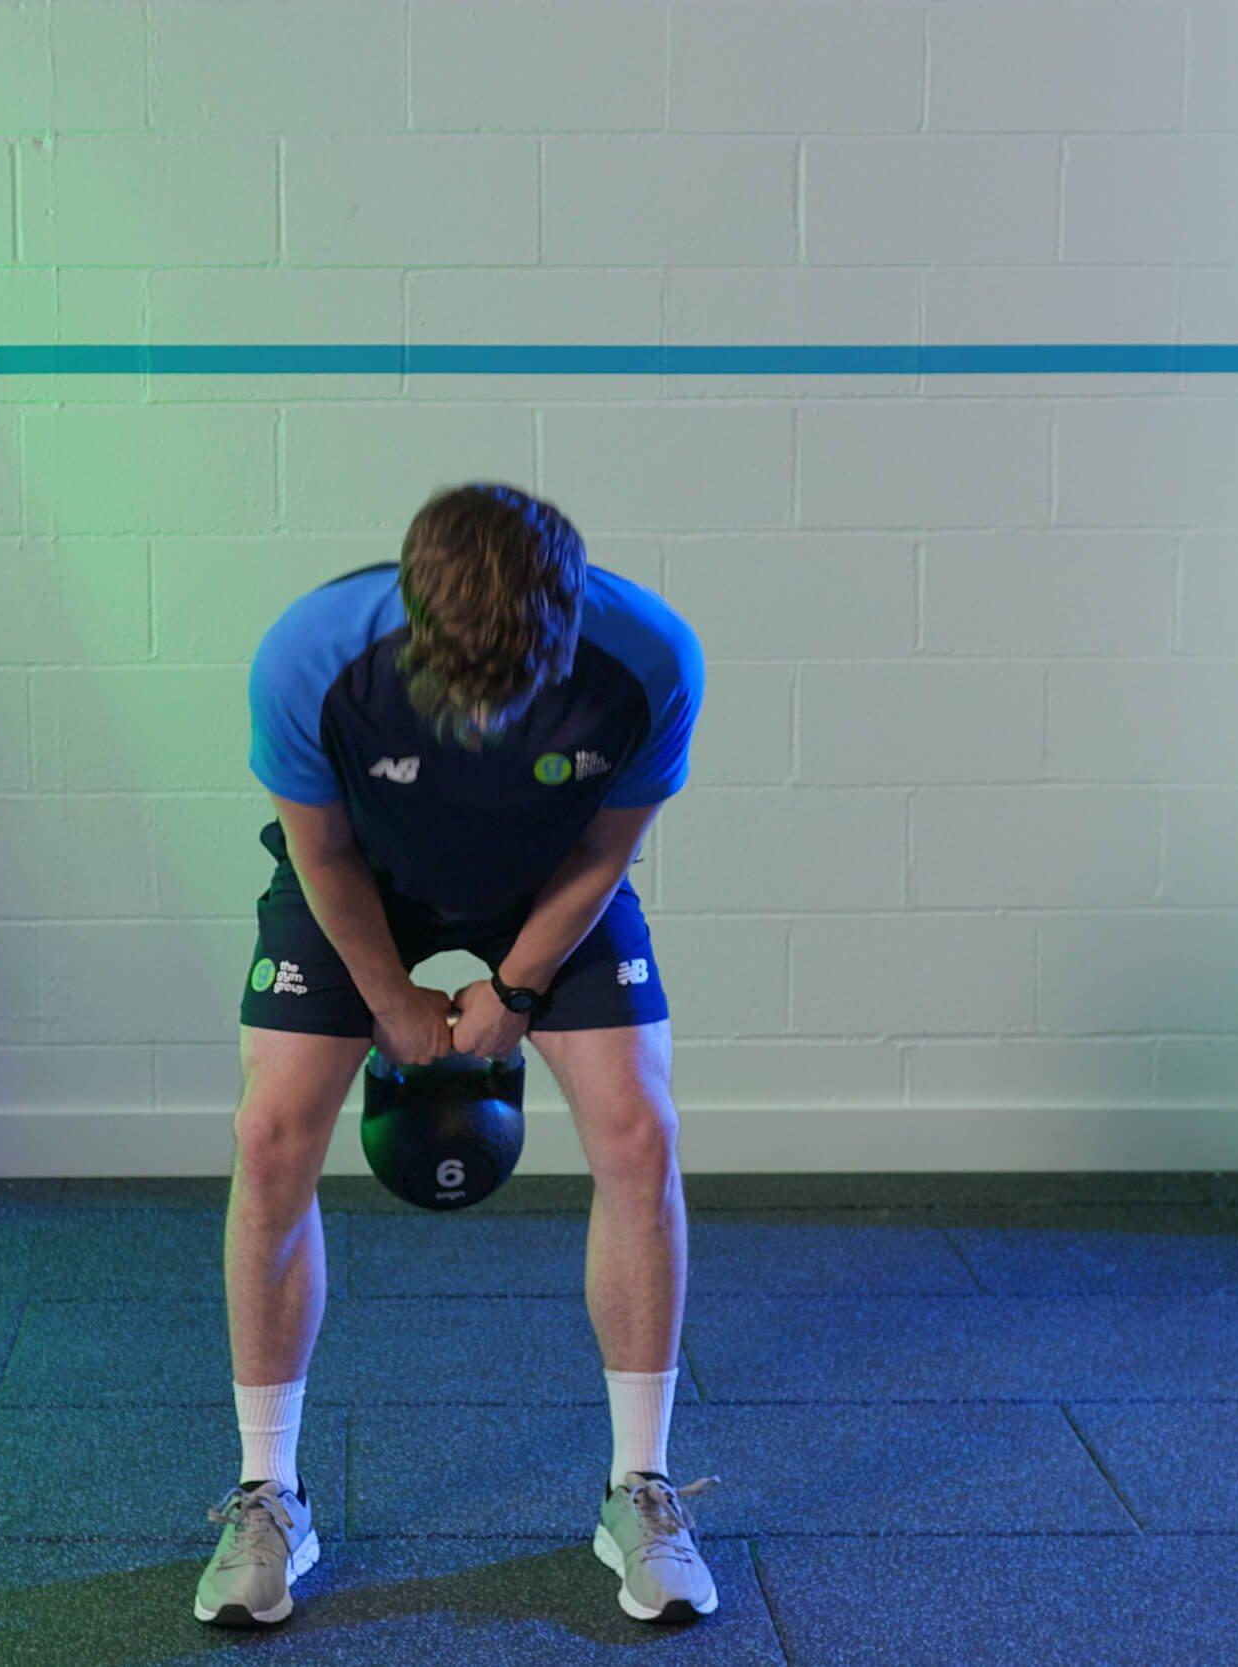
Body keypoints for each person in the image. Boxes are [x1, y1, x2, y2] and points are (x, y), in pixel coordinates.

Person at [195, 483, 712, 1628]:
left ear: (566, 625)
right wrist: (390, 998)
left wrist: (517, 987)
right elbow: (321, 855)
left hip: (550, 888)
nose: (480, 724)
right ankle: (264, 1492)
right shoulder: (310, 658)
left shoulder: (653, 661)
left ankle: (642, 1486)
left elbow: (605, 846)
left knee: (640, 1127)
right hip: (361, 887)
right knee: (268, 1132)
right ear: (415, 619)